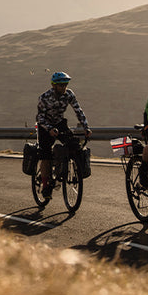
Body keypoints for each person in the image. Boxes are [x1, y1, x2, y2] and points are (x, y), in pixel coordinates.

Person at [35, 71, 91, 200]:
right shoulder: (44, 98)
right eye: (61, 85)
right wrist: (49, 129)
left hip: (59, 123)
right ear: (54, 85)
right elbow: (40, 117)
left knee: (73, 144)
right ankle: (45, 186)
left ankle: (63, 166)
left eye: (65, 84)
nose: (64, 87)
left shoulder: (69, 94)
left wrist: (86, 126)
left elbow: (78, 110)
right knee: (46, 155)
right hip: (45, 126)